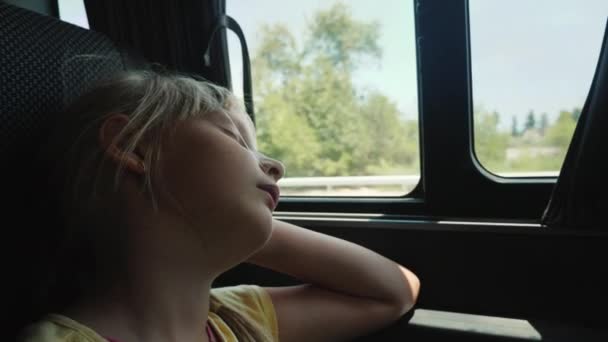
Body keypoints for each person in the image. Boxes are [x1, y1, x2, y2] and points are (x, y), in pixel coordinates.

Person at [20, 69, 420, 342]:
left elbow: (394, 291)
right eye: (236, 138)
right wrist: (236, 218)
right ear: (132, 146)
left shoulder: (234, 320)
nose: (275, 166)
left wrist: (243, 222)